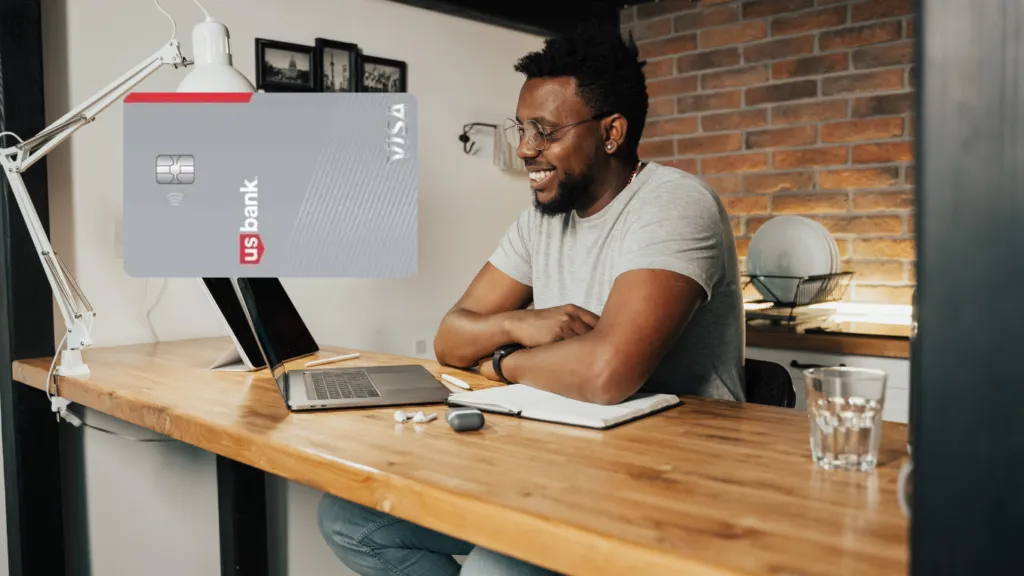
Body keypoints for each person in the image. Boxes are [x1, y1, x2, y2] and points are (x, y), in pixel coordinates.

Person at [318, 22, 745, 576]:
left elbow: (604, 373)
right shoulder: (540, 221)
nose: (524, 149)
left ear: (611, 133)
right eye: (521, 128)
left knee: (493, 569)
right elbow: (451, 337)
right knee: (350, 519)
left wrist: (500, 360)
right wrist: (523, 323)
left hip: (670, 482)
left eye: (543, 131)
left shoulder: (674, 205)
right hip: (563, 465)